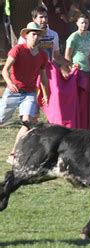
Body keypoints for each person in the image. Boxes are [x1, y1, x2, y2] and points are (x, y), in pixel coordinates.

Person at [1, 22, 50, 164]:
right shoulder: (17, 50)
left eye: (38, 34)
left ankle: (13, 154)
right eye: (33, 34)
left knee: (27, 122)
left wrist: (46, 94)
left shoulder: (42, 55)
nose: (35, 37)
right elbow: (5, 70)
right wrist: (9, 83)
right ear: (26, 35)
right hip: (13, 91)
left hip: (29, 93)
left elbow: (43, 78)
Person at [18, 6, 71, 73]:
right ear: (34, 19)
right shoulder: (26, 36)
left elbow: (57, 56)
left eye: (46, 17)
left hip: (48, 71)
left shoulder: (53, 35)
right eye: (41, 17)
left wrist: (70, 64)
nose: (44, 20)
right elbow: (19, 55)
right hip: (31, 70)